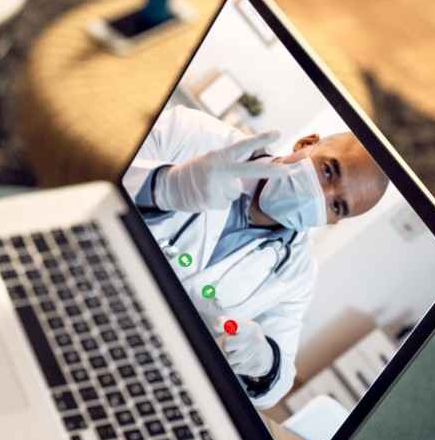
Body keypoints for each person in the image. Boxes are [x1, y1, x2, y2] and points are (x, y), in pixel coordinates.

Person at [122, 105, 389, 409]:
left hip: (154, 364)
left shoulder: (297, 274)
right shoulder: (193, 133)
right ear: (306, 144)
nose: (322, 196)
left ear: (334, 221)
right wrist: (164, 187)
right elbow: (85, 172)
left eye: (338, 206)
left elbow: (278, 386)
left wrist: (262, 361)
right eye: (328, 170)